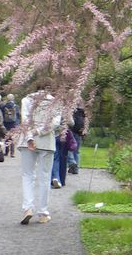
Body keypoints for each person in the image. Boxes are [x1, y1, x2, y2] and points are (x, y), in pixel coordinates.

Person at [19, 88, 59, 224]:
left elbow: (25, 121)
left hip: (26, 141)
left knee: (27, 175)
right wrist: (39, 131)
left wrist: (30, 136)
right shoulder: (55, 101)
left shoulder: (26, 99)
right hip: (46, 142)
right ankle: (43, 212)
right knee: (45, 177)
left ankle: (28, 208)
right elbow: (55, 123)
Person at [67, 106, 86, 174]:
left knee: (68, 149)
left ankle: (72, 163)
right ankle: (75, 169)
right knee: (76, 151)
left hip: (70, 132)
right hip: (79, 133)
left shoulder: (71, 110)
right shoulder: (82, 112)